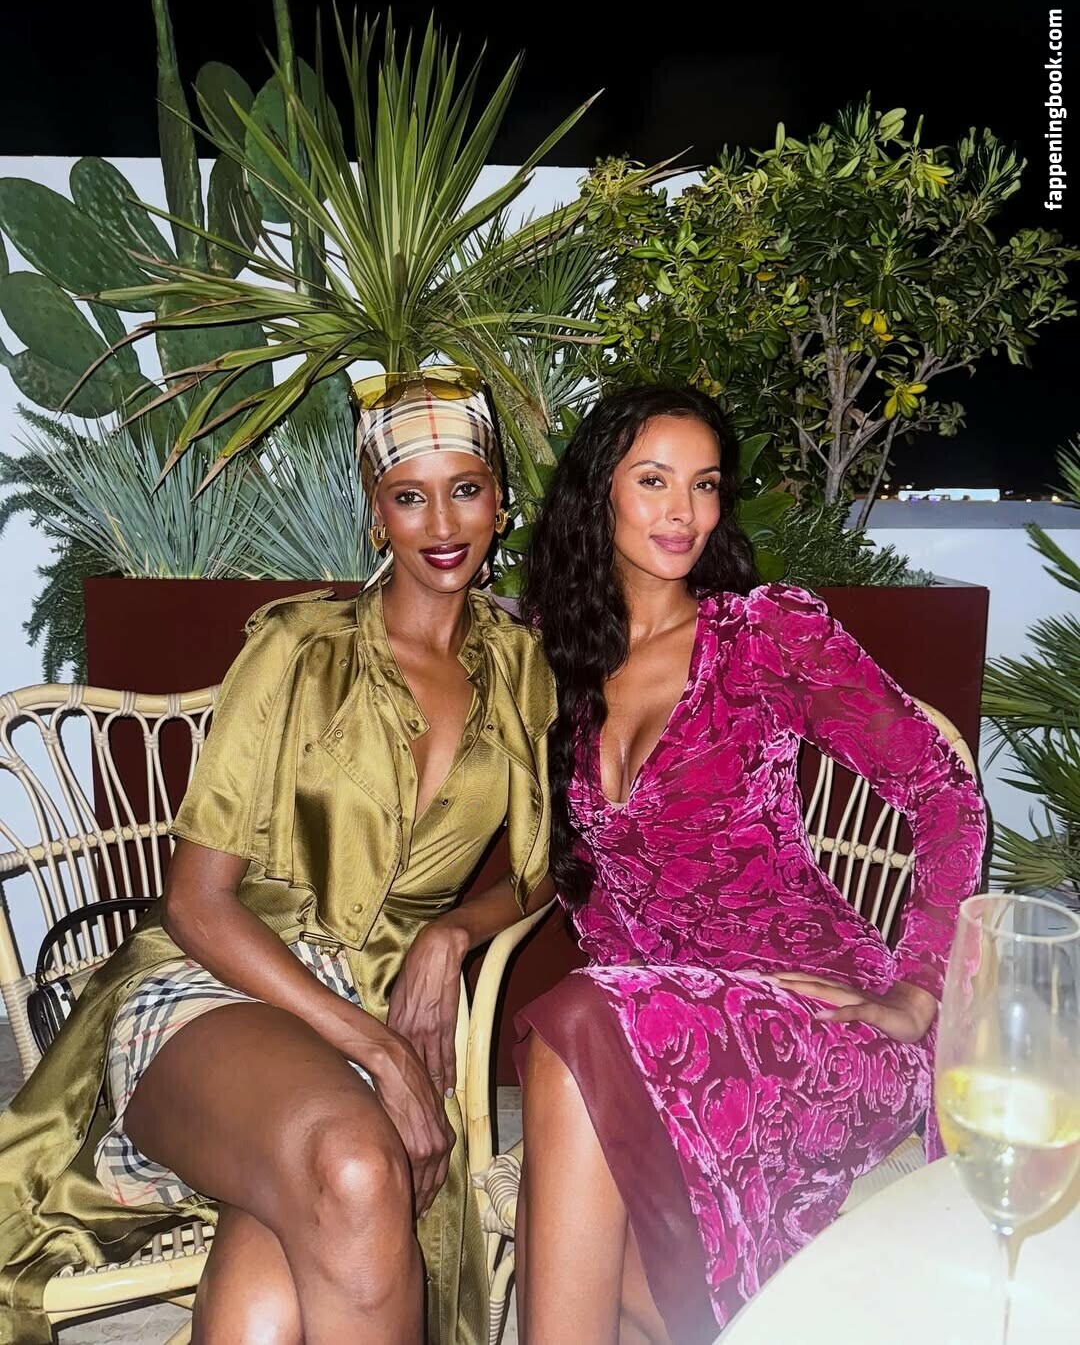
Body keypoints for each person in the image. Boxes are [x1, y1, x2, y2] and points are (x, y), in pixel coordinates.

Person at [0, 369, 555, 1345]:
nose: (442, 523)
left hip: (371, 995)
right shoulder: (298, 645)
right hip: (221, 982)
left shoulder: (520, 670)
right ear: (376, 515)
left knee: (276, 1297)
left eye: (465, 488)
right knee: (357, 1165)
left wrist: (450, 937)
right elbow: (197, 903)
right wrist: (382, 1049)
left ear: (499, 500)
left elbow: (542, 868)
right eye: (410, 495)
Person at [514, 385, 986, 1344]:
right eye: (653, 481)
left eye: (705, 484)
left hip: (820, 1015)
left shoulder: (763, 637)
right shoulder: (549, 663)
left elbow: (946, 795)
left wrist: (918, 989)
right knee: (617, 1272)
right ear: (598, 493)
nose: (683, 512)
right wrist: (447, 934)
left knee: (570, 1028)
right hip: (665, 1021)